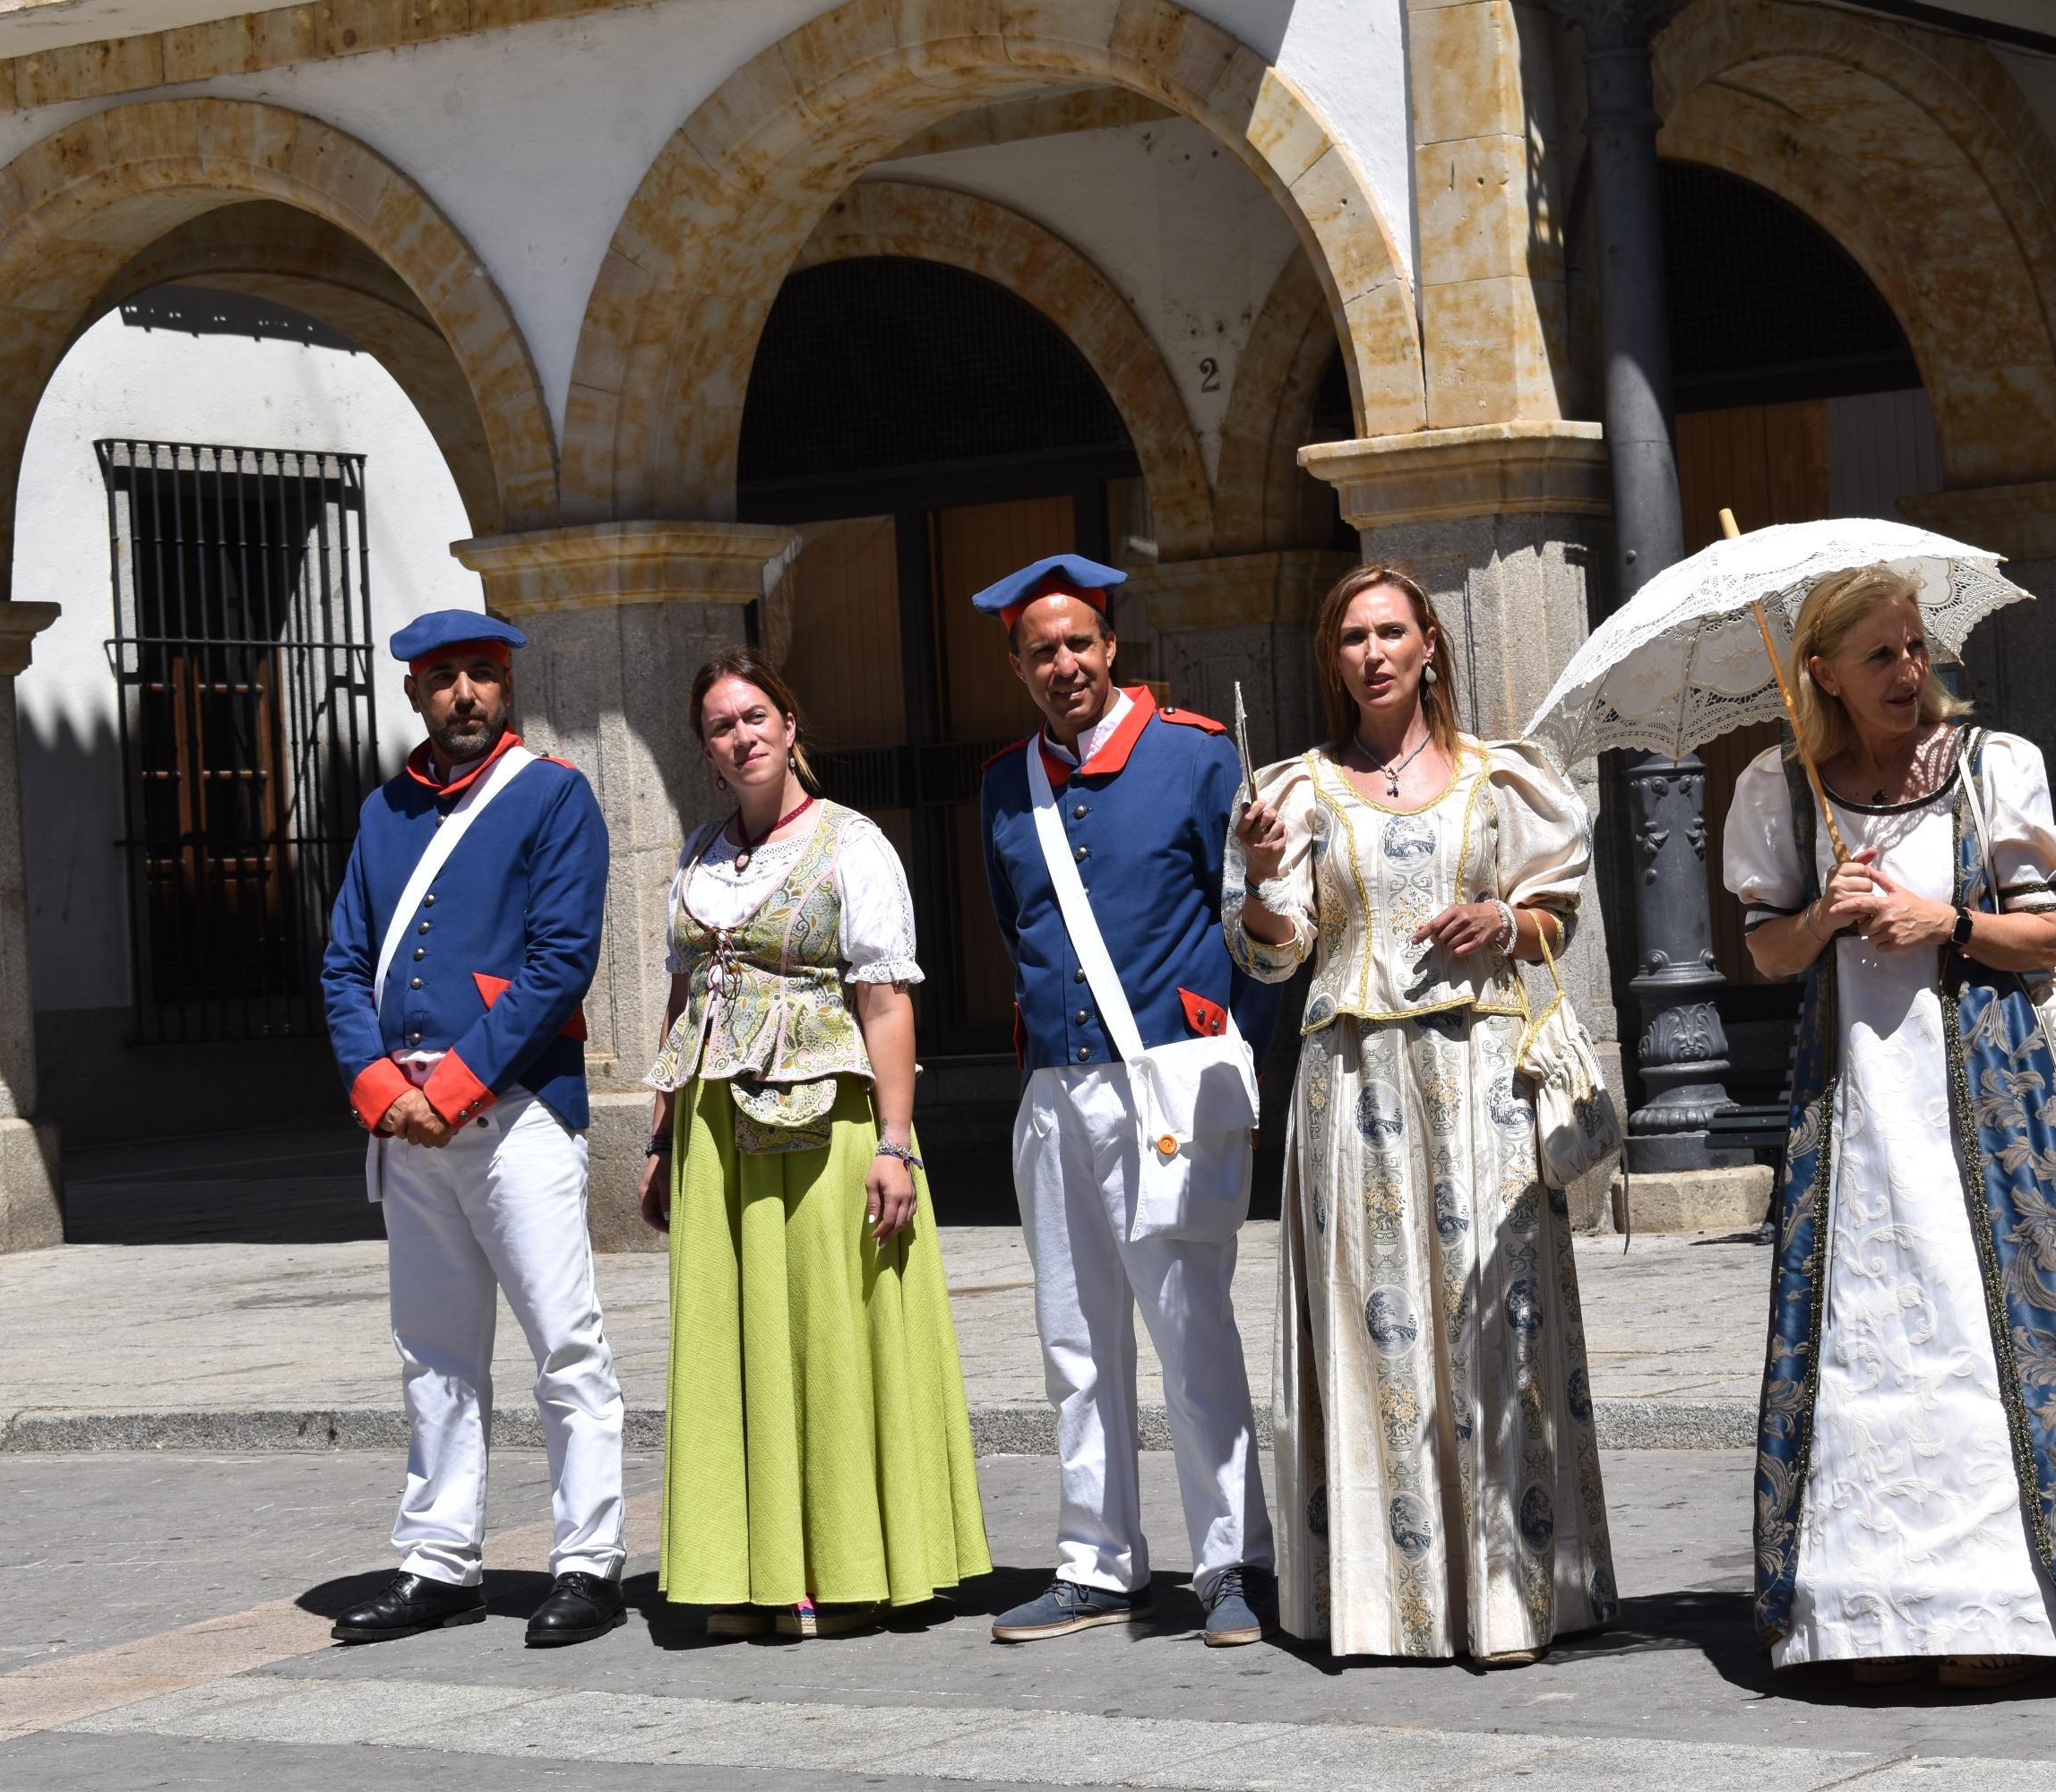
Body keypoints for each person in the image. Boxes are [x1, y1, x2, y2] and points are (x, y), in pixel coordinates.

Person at [1723, 566, 2056, 1688]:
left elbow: (2044, 933)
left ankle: (2017, 1612)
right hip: (1853, 1111)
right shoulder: (1784, 790)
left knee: (1999, 1336)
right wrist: (1822, 917)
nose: (1907, 672)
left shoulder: (1993, 769)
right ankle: (1869, 1616)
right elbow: (1762, 951)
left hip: (1986, 1099)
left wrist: (1948, 919)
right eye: (1878, 655)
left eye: (1915, 647)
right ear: (1821, 672)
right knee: (1868, 1334)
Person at [1228, 564, 1613, 1666]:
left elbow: (1556, 920)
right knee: (1373, 1323)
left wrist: (1502, 915)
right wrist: (1262, 876)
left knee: (1505, 1324)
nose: (1375, 652)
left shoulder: (1505, 778)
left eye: (1393, 630)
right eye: (1353, 636)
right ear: (1332, 656)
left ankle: (1512, 1595)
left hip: (1486, 1077)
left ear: (1432, 642)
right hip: (1353, 1085)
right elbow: (1274, 955)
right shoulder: (1295, 790)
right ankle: (1387, 1601)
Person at [640, 648, 990, 1639]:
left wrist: (895, 1141)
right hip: (714, 1126)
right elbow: (683, 995)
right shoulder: (702, 850)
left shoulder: (851, 844)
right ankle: (753, 1571)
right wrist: (663, 1136)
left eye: (756, 716)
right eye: (720, 725)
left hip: (827, 1124)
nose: (742, 735)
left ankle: (847, 1564)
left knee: (826, 1335)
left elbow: (884, 1000)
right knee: (732, 1340)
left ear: (791, 725)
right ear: (706, 749)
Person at [975, 553, 1277, 1648]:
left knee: (1191, 1325)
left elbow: (1251, 924)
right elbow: (1016, 932)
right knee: (1075, 1339)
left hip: (1167, 1077)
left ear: (1111, 646)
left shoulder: (1195, 756)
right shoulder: (1005, 783)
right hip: (1056, 1088)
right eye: (1040, 651)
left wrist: (1218, 1045)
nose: (1064, 665)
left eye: (1079, 644)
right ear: (1017, 664)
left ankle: (1231, 1560)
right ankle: (1097, 1561)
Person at [318, 610, 628, 1648]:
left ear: (507, 688)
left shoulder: (553, 796)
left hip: (518, 1114)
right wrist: (378, 1088)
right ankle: (440, 1558)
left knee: (565, 1345)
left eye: (482, 676)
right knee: (433, 1350)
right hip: (406, 1127)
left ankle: (587, 1559)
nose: (464, 694)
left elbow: (556, 963)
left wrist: (446, 1088)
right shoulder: (384, 810)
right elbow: (343, 962)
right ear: (413, 691)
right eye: (444, 677)